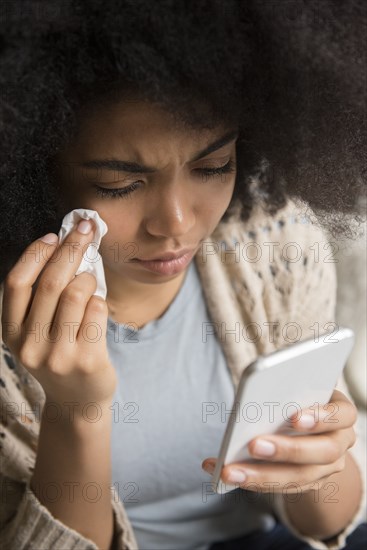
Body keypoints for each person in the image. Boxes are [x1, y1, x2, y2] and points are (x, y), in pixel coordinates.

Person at [0, 1, 366, 549]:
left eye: (213, 166)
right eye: (118, 185)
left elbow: (328, 524)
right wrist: (75, 411)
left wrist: (324, 460)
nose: (176, 223)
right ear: (33, 171)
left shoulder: (276, 244)